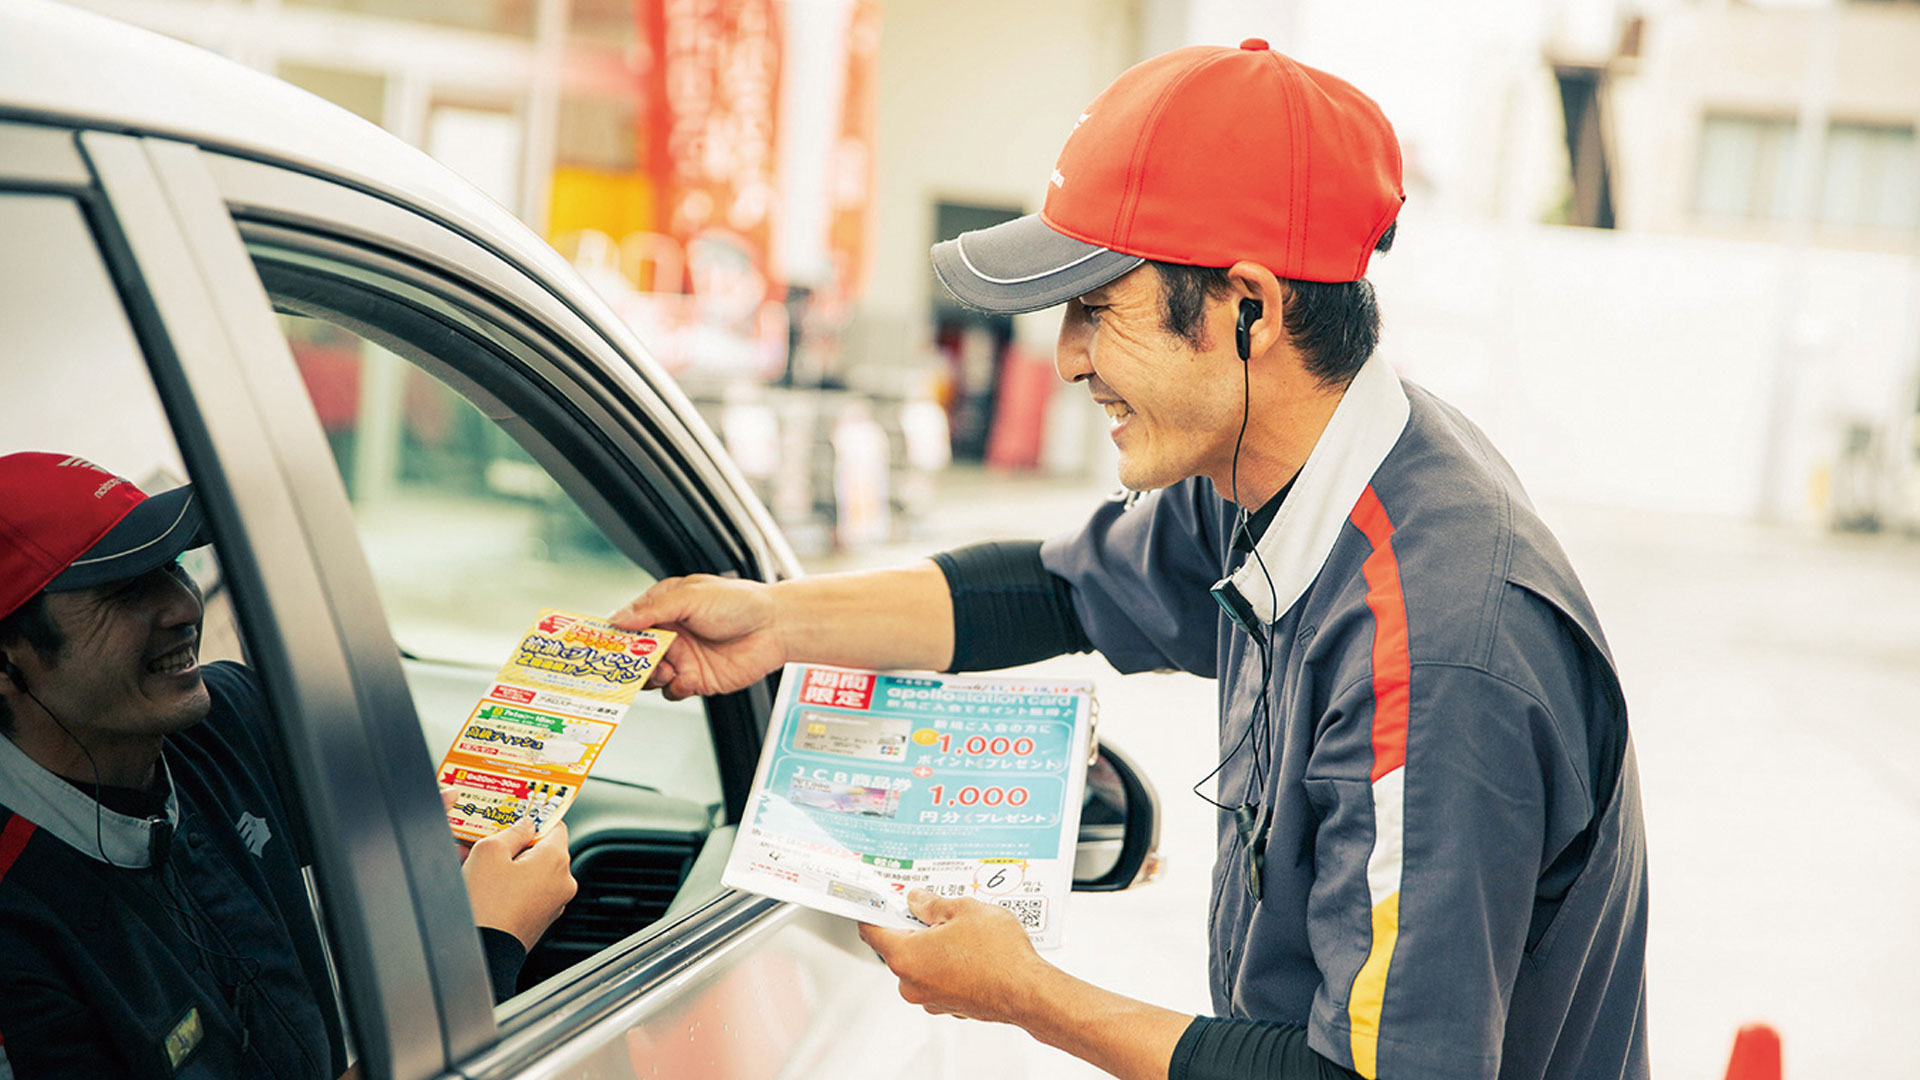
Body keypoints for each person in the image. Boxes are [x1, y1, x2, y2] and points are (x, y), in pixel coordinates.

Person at [609, 40, 1648, 1080]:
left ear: (1250, 308)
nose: (1064, 357)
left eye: (1097, 307)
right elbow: (1055, 592)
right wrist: (780, 621)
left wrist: (1028, 996)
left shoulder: (1440, 655)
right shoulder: (1275, 472)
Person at [0, 452, 578, 1079]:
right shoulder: (20, 931)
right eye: (125, 590)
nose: (183, 607)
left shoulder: (229, 718)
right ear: (7, 665)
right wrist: (475, 953)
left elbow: (413, 829)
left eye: (171, 566)